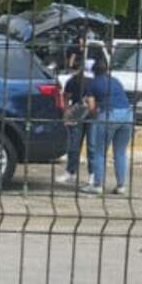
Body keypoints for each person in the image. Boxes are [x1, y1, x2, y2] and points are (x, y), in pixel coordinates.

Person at [85, 45, 136, 196]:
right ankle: (121, 186)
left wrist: (92, 112)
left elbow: (92, 106)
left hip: (109, 115)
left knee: (100, 152)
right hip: (127, 115)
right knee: (120, 152)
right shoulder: (116, 81)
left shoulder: (92, 84)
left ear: (93, 72)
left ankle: (98, 185)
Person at [56, 45, 94, 186]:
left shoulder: (74, 81)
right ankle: (86, 174)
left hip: (81, 112)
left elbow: (66, 98)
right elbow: (67, 97)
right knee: (85, 145)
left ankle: (76, 172)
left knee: (77, 145)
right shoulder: (77, 81)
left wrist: (67, 112)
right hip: (87, 113)